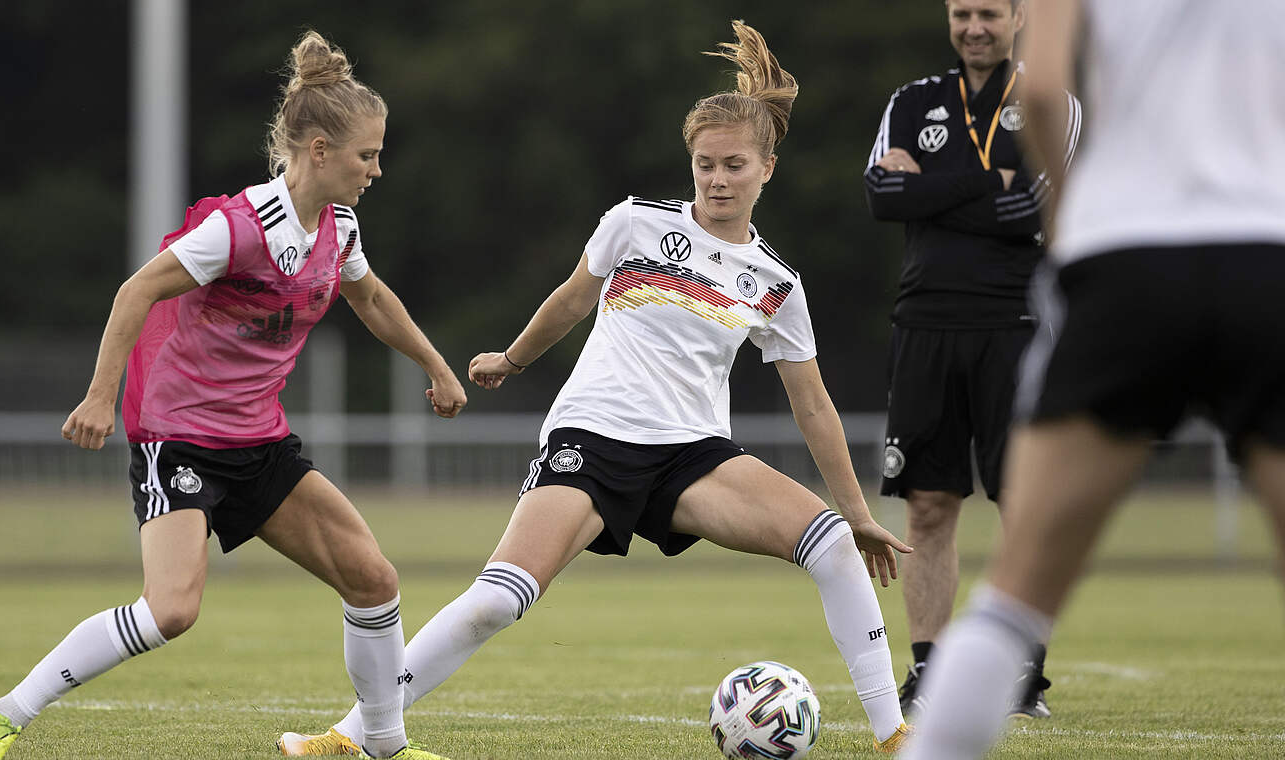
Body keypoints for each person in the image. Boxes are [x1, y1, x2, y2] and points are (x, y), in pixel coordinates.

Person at [277, 20, 914, 756]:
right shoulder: (635, 224)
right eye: (704, 164)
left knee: (832, 543)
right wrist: (512, 359)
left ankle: (893, 736)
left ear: (767, 168)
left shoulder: (776, 284)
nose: (715, 179)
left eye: (733, 165)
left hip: (692, 457)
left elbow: (812, 404)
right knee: (497, 602)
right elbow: (572, 299)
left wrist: (859, 510)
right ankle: (350, 737)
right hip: (594, 438)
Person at [0, 31, 465, 760]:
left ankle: (382, 745)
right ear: (319, 150)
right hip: (182, 435)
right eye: (367, 155)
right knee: (171, 611)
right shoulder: (239, 227)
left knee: (374, 580)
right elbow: (138, 290)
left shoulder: (340, 226)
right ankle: (2, 715)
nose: (378, 169)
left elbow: (373, 299)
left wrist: (437, 367)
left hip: (258, 440)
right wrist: (102, 396)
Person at [898, 0, 1285, 757]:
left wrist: (1074, 217)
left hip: (1125, 255)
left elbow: (1038, 90)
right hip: (1265, 251)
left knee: (1016, 594)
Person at [862, 0, 1080, 718]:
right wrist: (992, 183)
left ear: (1019, 18)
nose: (974, 26)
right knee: (928, 506)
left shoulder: (1054, 103)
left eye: (989, 12)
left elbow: (1036, 213)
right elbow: (881, 197)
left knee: (1024, 502)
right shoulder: (912, 101)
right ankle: (928, 674)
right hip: (924, 325)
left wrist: (926, 186)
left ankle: (1023, 678)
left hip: (1017, 327)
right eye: (962, 13)